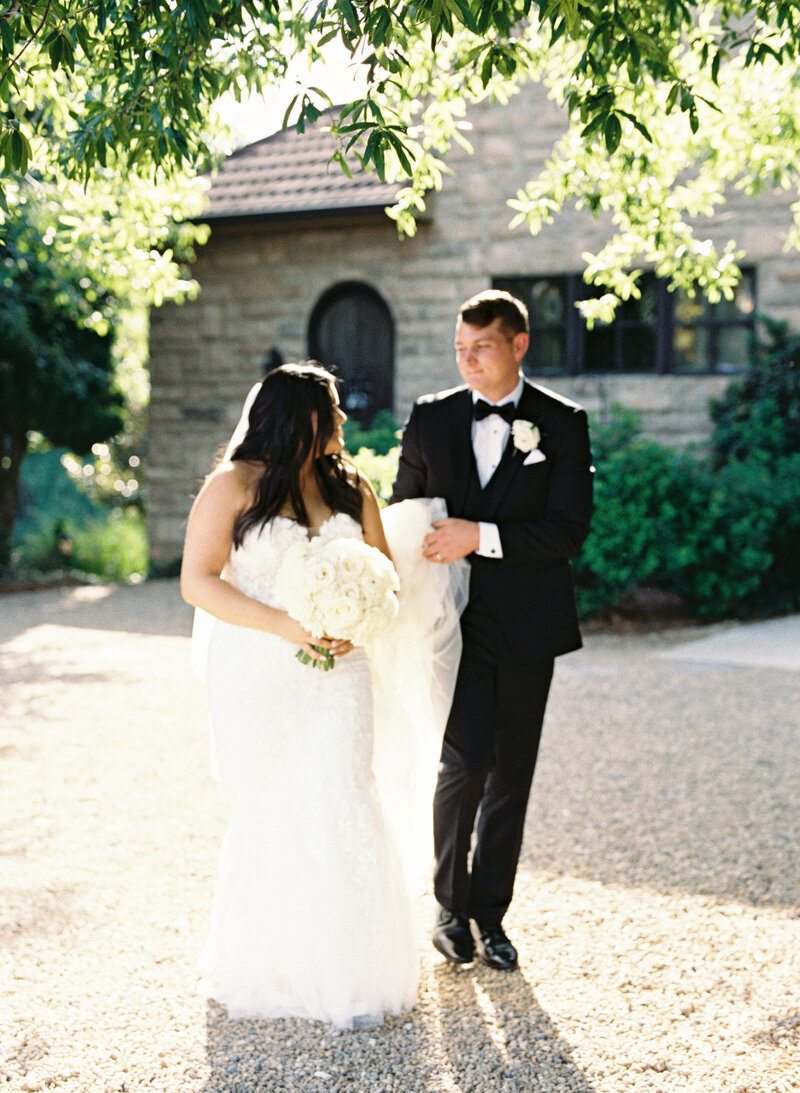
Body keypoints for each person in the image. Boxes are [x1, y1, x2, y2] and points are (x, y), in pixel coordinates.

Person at [180, 362, 417, 1029]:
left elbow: (386, 575)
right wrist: (288, 624)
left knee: (343, 790)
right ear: (297, 417)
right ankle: (277, 964)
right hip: (260, 671)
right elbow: (198, 581)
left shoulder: (350, 485)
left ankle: (349, 969)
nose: (341, 419)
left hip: (340, 673)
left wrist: (356, 617)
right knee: (273, 802)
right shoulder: (234, 485)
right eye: (331, 409)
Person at [391, 289, 594, 971]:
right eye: (461, 348)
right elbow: (406, 512)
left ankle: (491, 914)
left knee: (512, 773)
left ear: (519, 344)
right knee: (464, 761)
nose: (469, 360)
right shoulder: (431, 418)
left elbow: (568, 531)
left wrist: (482, 535)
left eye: (482, 347)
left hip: (530, 625)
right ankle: (449, 908)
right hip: (451, 625)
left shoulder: (562, 424)